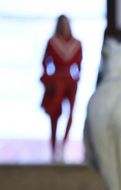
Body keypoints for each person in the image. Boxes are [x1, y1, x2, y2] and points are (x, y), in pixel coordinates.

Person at [41, 14, 82, 162]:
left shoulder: (76, 43)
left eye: (66, 24)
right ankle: (53, 148)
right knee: (54, 113)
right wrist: (47, 78)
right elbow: (45, 61)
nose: (64, 27)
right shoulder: (52, 42)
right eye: (62, 24)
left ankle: (63, 146)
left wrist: (77, 77)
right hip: (56, 80)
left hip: (70, 81)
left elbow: (79, 64)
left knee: (70, 113)